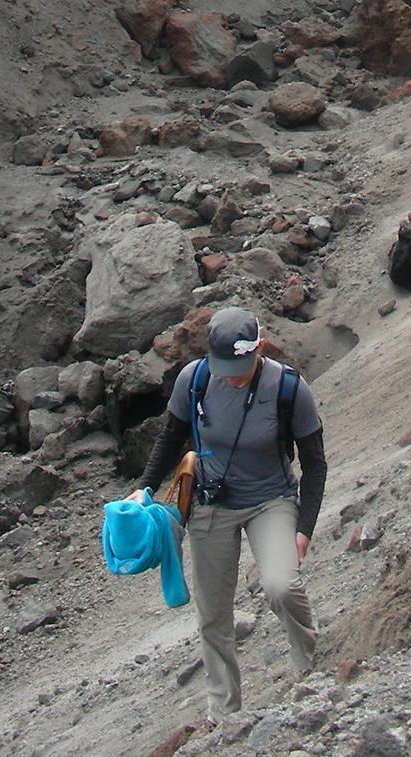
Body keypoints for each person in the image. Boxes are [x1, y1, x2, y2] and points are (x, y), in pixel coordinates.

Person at [131, 307, 326, 725]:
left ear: (258, 348)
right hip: (210, 504)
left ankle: (311, 670)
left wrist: (304, 527)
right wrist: (144, 486)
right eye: (225, 367)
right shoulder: (195, 380)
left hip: (270, 499)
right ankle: (224, 716)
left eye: (240, 366)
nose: (233, 376)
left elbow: (315, 463)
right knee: (213, 612)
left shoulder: (290, 389)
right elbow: (170, 436)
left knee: (280, 584)